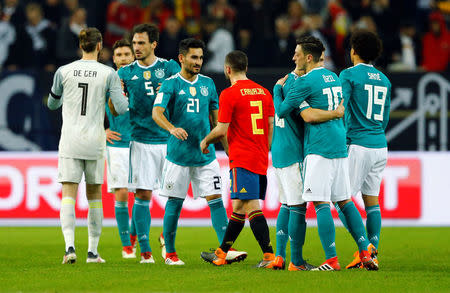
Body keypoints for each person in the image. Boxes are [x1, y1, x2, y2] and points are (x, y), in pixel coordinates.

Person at [277, 35, 378, 271]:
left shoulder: (304, 82)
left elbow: (283, 111)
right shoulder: (333, 76)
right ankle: (365, 252)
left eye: (297, 54)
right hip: (339, 146)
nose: (294, 57)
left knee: (321, 202)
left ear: (308, 57)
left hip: (319, 148)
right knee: (344, 200)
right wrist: (332, 113)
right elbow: (339, 108)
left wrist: (278, 89)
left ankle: (331, 259)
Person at [152, 38, 246, 265]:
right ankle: (171, 253)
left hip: (206, 154)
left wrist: (229, 153)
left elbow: (218, 124)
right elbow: (157, 113)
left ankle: (224, 250)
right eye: (194, 57)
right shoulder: (171, 84)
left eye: (201, 57)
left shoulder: (208, 84)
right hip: (179, 155)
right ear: (181, 58)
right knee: (175, 202)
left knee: (215, 200)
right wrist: (172, 128)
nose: (198, 62)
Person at [47, 27, 128, 264]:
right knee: (94, 196)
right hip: (95, 140)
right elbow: (122, 108)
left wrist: (64, 98)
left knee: (68, 194)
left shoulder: (64, 71)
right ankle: (92, 252)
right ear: (100, 46)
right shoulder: (108, 73)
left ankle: (69, 248)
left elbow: (52, 104)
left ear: (81, 46)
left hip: (71, 140)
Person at [269, 51, 344, 271]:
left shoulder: (284, 84)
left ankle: (280, 256)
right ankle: (297, 260)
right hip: (295, 152)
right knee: (298, 208)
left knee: (286, 204)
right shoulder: (299, 84)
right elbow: (303, 115)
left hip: (279, 151)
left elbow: (279, 111)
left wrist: (275, 89)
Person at [200, 50, 275, 267]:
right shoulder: (263, 92)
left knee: (250, 205)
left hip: (242, 157)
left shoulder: (229, 94)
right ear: (246, 68)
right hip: (260, 156)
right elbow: (270, 124)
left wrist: (205, 141)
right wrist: (265, 147)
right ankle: (221, 254)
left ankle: (270, 256)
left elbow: (221, 129)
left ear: (227, 69)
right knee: (239, 207)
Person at [117, 23, 180, 263]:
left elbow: (180, 98)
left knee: (174, 196)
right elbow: (116, 107)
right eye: (134, 43)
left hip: (168, 140)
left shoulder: (169, 67)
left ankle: (166, 239)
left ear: (153, 44)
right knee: (142, 195)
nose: (136, 47)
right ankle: (145, 251)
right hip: (141, 141)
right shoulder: (124, 73)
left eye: (141, 43)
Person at [337, 30, 391, 269]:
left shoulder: (348, 75)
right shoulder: (384, 79)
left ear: (354, 51)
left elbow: (340, 108)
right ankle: (373, 251)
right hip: (380, 145)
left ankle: (365, 249)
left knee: (342, 200)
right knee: (372, 203)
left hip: (358, 144)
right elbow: (386, 117)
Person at [105, 39, 136, 258]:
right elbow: (89, 110)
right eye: (120, 54)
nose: (124, 57)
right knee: (122, 193)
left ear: (133, 56)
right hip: (116, 143)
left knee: (143, 193)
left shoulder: (141, 80)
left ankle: (134, 236)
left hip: (140, 142)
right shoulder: (106, 82)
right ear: (113, 59)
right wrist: (101, 131)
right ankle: (127, 245)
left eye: (127, 54)